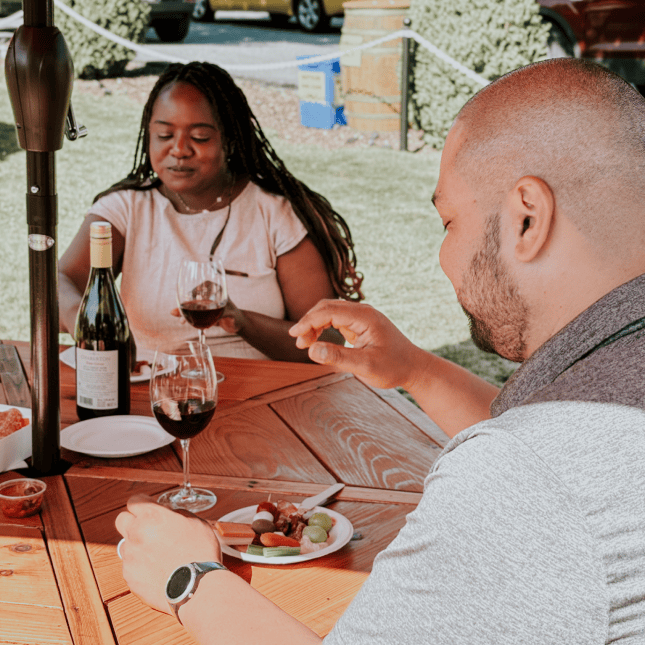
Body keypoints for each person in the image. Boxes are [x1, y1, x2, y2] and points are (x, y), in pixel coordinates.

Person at [115, 58, 645, 643]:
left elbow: (543, 462)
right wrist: (414, 369)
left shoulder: (528, 479)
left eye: (448, 222)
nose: (443, 258)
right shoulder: (607, 391)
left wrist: (188, 578)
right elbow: (561, 436)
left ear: (527, 217)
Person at [59, 62, 363, 362]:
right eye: (164, 135)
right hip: (149, 395)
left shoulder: (275, 213)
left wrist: (242, 322)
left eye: (200, 137)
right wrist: (83, 320)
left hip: (260, 395)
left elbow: (327, 340)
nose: (179, 149)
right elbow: (59, 280)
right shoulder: (125, 209)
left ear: (228, 140)